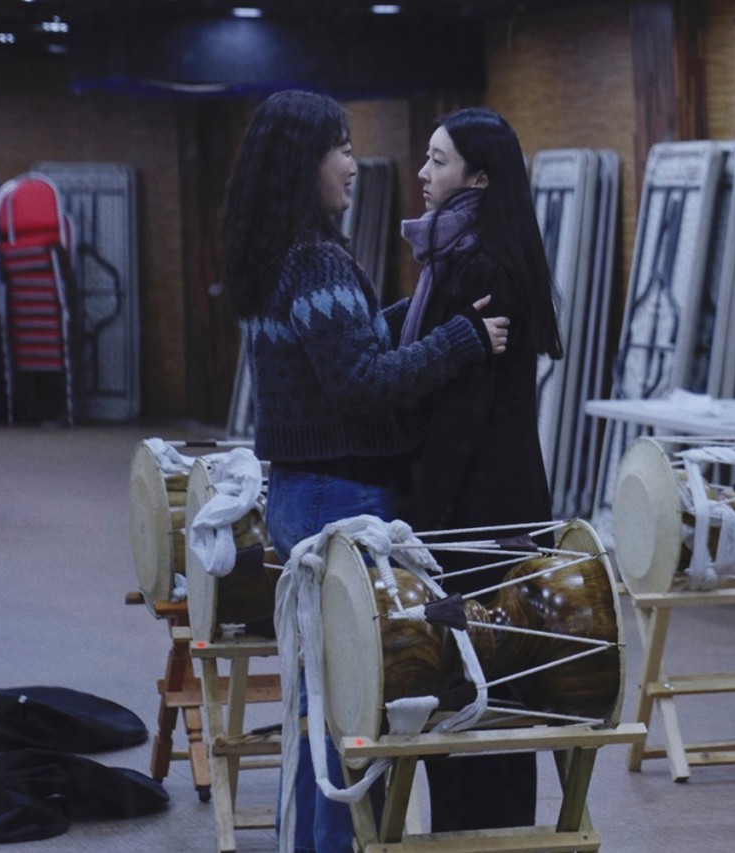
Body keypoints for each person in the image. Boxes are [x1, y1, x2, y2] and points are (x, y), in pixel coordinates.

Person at [218, 90, 508, 853]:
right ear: (304, 161)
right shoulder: (317, 260)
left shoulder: (278, 254)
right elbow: (361, 382)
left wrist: (416, 313)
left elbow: (338, 351)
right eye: (341, 148)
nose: (354, 162)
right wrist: (460, 339)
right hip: (338, 498)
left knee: (320, 707)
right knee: (352, 716)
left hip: (300, 493)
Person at [398, 106, 563, 833]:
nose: (423, 173)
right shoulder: (462, 256)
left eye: (438, 160)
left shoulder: (481, 265)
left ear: (480, 178)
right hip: (491, 504)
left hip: (479, 514)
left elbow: (461, 417)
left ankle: (484, 837)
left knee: (479, 679)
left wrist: (420, 516)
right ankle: (479, 834)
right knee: (478, 679)